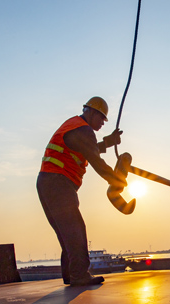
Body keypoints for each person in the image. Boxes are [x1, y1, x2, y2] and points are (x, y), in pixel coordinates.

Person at [37, 96, 126, 286]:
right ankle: (79, 275)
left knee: (67, 232)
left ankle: (72, 274)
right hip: (58, 183)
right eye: (101, 118)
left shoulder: (74, 126)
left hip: (47, 183)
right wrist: (115, 179)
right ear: (91, 112)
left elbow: (87, 149)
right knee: (75, 229)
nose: (103, 122)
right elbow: (95, 160)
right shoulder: (83, 129)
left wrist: (109, 142)